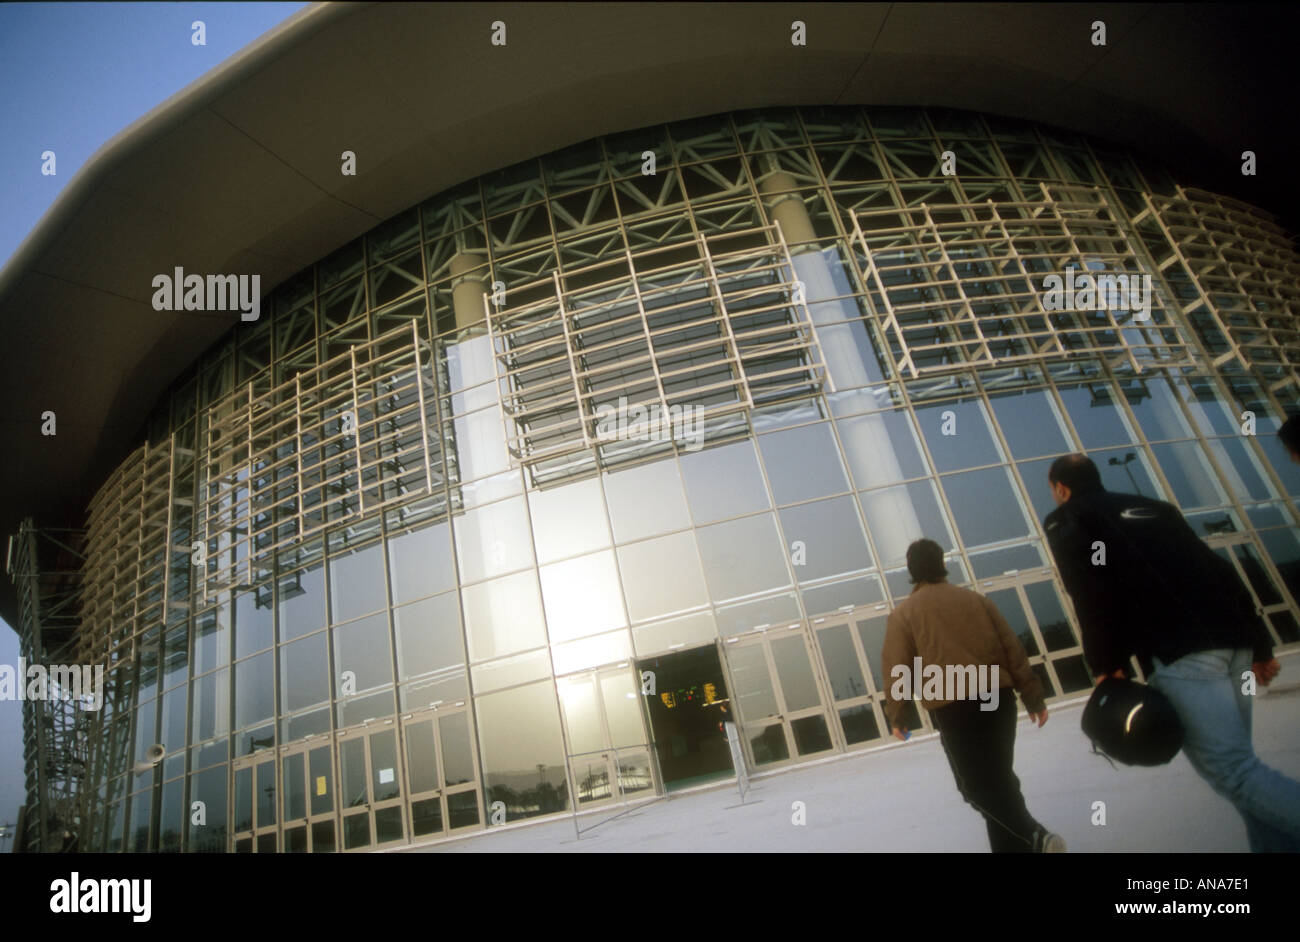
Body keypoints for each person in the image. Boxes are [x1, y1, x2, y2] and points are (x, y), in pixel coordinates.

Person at [1043, 453, 1300, 852]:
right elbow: (1220, 571)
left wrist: (1107, 665)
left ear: (1061, 488)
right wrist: (1260, 645)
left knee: (1235, 773)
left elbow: (1090, 591)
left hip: (1181, 654)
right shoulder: (1157, 509)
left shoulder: (1070, 518)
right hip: (1232, 644)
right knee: (1242, 771)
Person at [881, 538, 1065, 853]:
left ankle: (1033, 834)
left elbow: (898, 668)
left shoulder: (905, 613)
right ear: (941, 564)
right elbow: (1012, 648)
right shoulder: (976, 601)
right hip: (997, 699)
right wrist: (1032, 695)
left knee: (975, 788)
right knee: (999, 780)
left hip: (954, 708)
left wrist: (898, 715)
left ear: (911, 570)